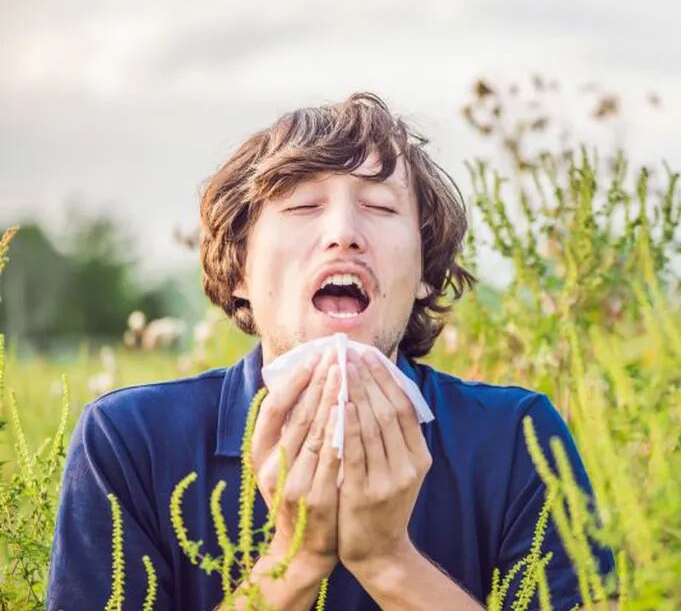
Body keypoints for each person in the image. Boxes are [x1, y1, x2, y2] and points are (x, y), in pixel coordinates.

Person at [46, 93, 616, 610]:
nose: (344, 232)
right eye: (301, 207)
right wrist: (295, 560)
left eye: (382, 208)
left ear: (424, 272)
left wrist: (389, 560)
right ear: (240, 269)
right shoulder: (129, 441)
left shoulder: (519, 440)